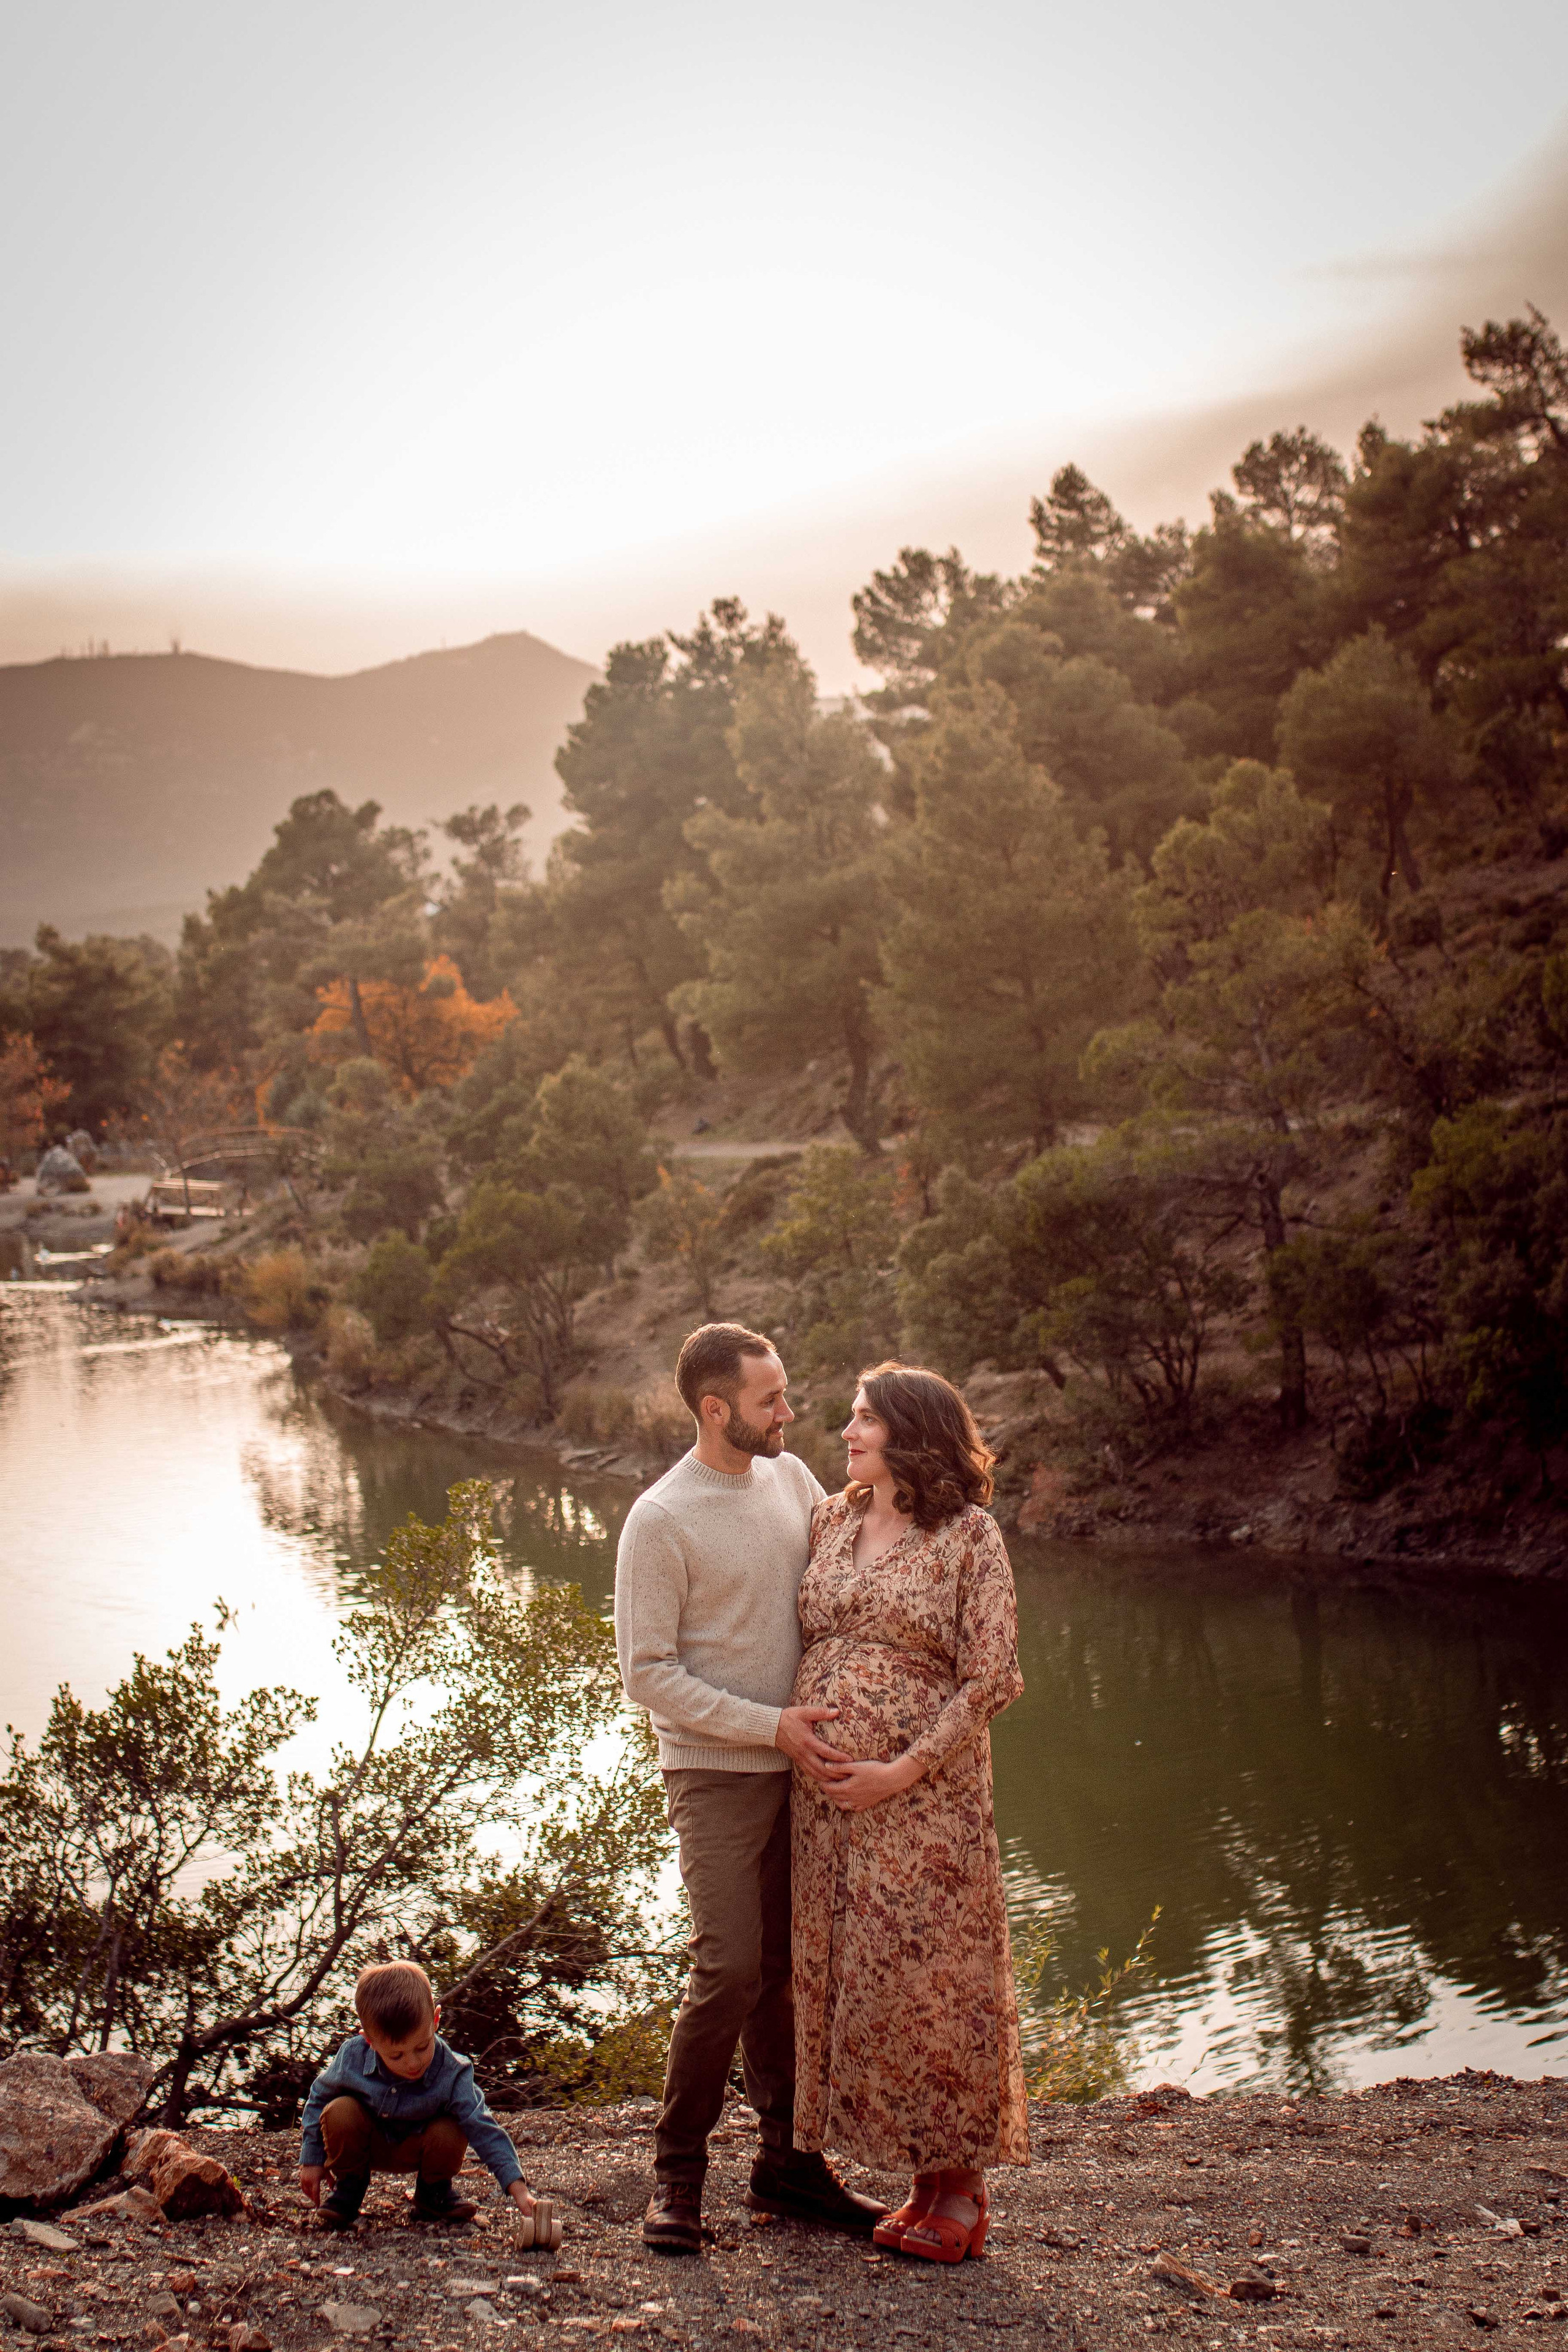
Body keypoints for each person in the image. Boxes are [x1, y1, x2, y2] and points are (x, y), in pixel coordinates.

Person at [614, 1322, 886, 2255]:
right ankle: (677, 2178)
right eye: (771, 1400)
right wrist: (770, 1726)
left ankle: (789, 2167)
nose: (788, 1413)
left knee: (786, 1975)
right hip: (716, 1775)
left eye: (785, 1395)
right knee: (729, 1969)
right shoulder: (660, 1518)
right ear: (715, 1408)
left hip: (803, 1770)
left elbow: (856, 1566)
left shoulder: (792, 1479)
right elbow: (646, 1673)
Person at [790, 1361, 1029, 2264]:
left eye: (864, 1420)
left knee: (937, 1982)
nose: (847, 1433)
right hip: (826, 1808)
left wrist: (899, 1770)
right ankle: (920, 2182)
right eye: (851, 1418)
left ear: (912, 1432)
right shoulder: (831, 1518)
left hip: (926, 1800)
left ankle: (961, 2187)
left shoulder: (969, 1535)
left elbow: (993, 1678)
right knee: (869, 1983)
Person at [298, 1960, 560, 2241]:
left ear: (435, 2020)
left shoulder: (453, 2071)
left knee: (455, 2124)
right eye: (396, 2055)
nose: (413, 2063)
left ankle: (433, 2192)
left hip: (421, 2148)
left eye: (422, 2047)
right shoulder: (353, 2055)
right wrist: (312, 2159)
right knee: (339, 2110)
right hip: (366, 2146)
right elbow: (318, 2098)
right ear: (369, 2041)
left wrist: (519, 2189)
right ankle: (349, 2190)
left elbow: (483, 2127)